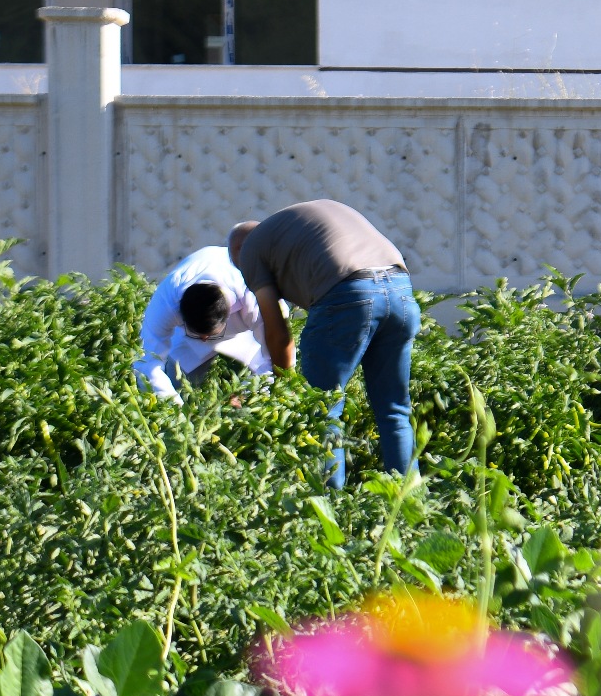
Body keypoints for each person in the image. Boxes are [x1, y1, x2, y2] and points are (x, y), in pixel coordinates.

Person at [233, 201, 416, 485]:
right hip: (402, 290)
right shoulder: (295, 228)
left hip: (349, 294)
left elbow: (277, 329)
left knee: (322, 410)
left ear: (238, 253)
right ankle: (409, 506)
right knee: (394, 408)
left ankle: (331, 510)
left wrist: (285, 384)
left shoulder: (251, 251)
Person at [134, 243, 272, 403]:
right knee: (178, 383)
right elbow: (148, 364)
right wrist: (176, 412)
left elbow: (275, 353)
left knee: (255, 380)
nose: (205, 339)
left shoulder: (253, 294)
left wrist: (249, 394)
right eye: (199, 335)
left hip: (246, 336)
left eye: (210, 335)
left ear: (227, 315)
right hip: (185, 343)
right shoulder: (165, 303)